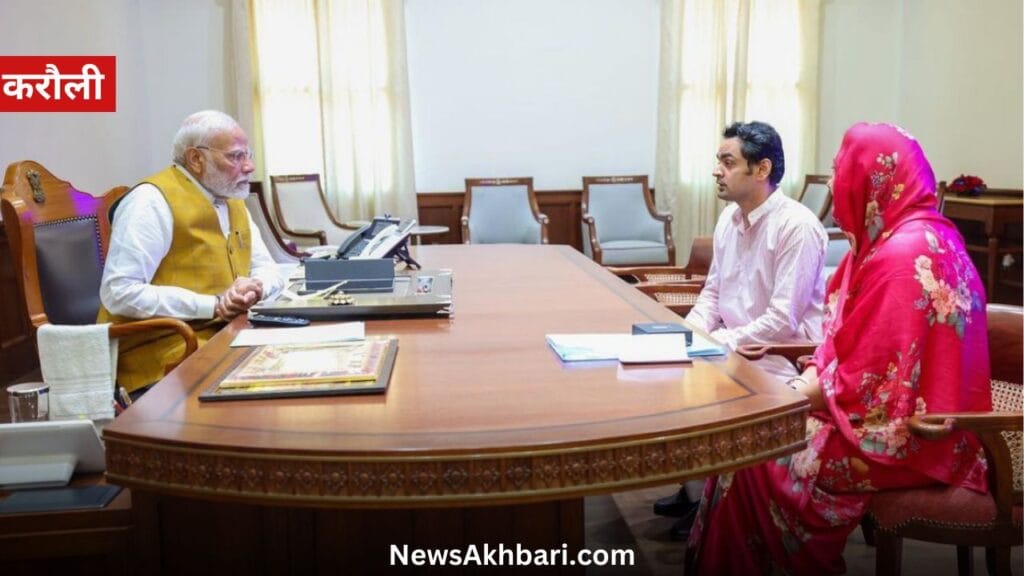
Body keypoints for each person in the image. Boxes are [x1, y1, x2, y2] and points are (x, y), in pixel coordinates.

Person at [687, 122, 991, 574]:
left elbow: (869, 386)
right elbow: (855, 356)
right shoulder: (908, 237)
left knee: (750, 452)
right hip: (901, 417)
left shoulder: (901, 256)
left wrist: (796, 391)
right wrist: (807, 381)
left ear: (875, 177)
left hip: (915, 438)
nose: (833, 183)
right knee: (744, 438)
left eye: (840, 169)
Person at [654, 121, 828, 540]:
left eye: (727, 162)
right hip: (735, 345)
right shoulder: (731, 219)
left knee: (703, 375)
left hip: (779, 357)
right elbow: (712, 295)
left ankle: (709, 506)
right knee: (670, 369)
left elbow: (782, 320)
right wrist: (688, 337)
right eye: (719, 160)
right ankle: (696, 488)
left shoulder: (796, 228)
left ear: (762, 169)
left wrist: (711, 346)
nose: (717, 170)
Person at [98, 110, 284, 394]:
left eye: (249, 155)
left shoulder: (232, 198)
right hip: (165, 356)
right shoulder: (150, 202)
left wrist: (254, 289)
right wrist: (214, 304)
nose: (248, 167)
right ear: (196, 159)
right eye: (236, 157)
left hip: (225, 340)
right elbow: (119, 291)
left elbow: (268, 269)